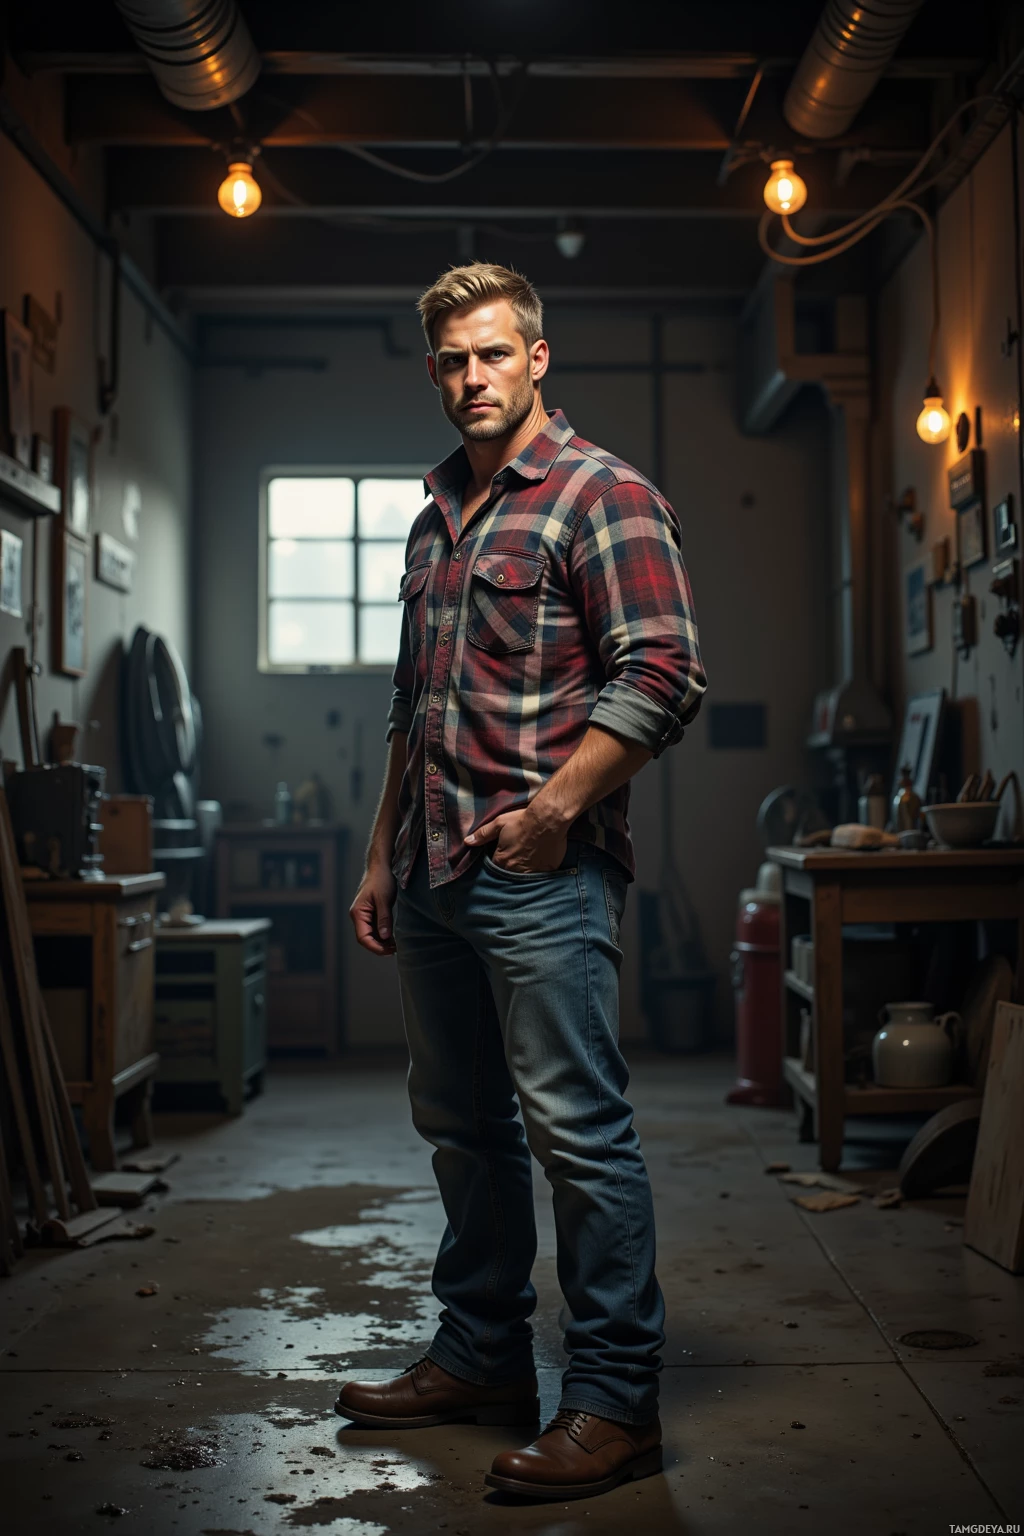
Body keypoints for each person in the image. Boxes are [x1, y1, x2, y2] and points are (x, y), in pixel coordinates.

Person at [337, 262, 706, 1502]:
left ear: (537, 358)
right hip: (431, 870)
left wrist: (555, 813)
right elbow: (410, 705)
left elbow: (661, 676)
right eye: (451, 360)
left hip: (542, 873)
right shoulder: (435, 512)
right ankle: (483, 1356)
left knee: (578, 1137)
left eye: (492, 355)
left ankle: (614, 1405)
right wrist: (379, 852)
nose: (471, 379)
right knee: (461, 1129)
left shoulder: (601, 496)